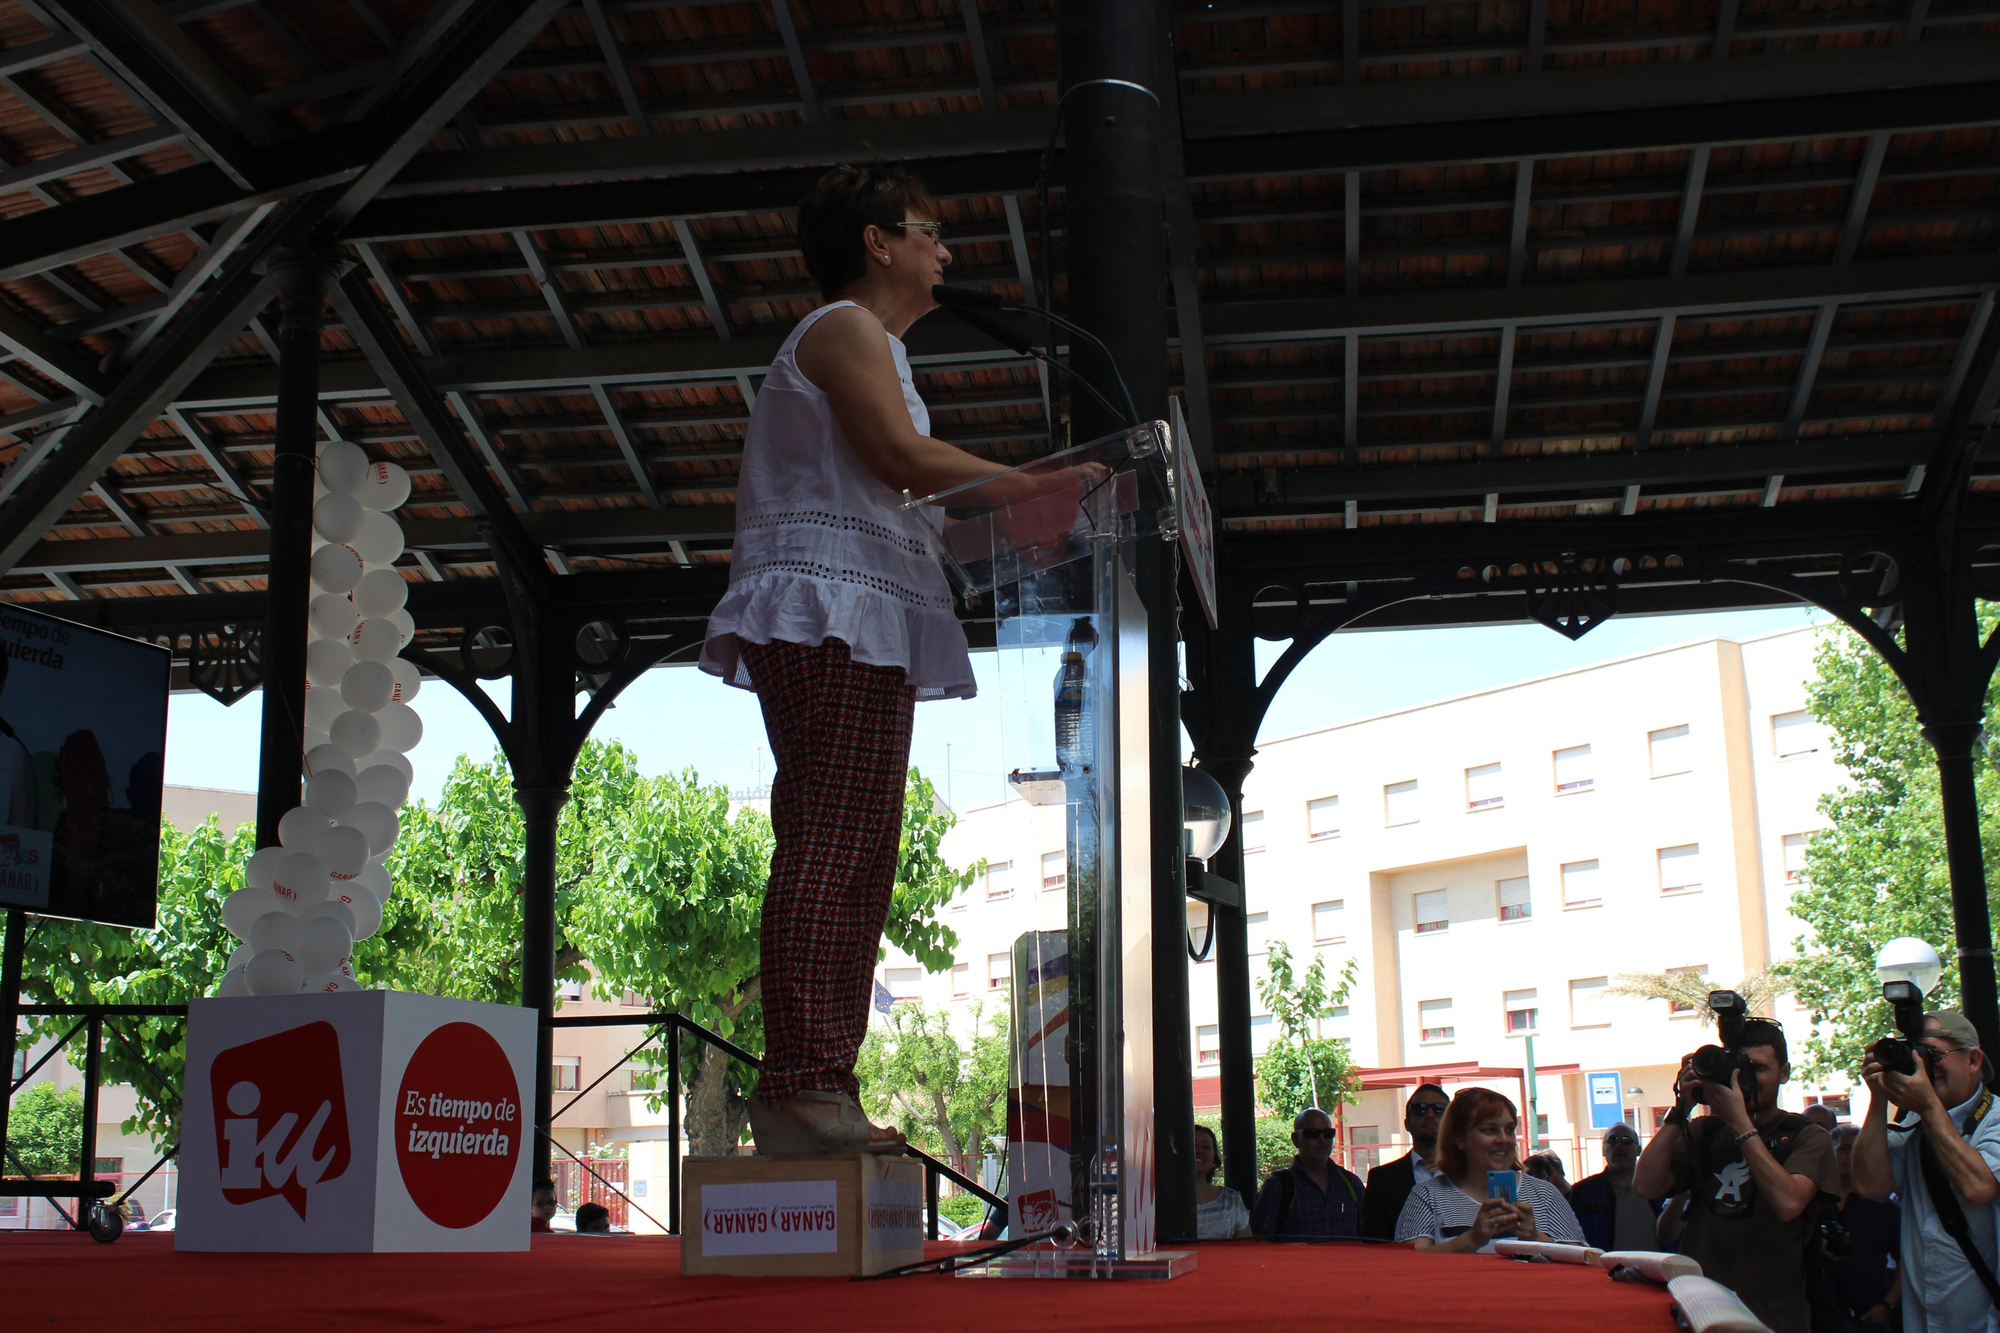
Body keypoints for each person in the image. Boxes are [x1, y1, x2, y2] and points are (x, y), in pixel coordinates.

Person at [698, 164, 1015, 1157]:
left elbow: (901, 482)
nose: (945, 251)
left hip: (861, 611)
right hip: (825, 610)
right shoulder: (842, 328)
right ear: (876, 240)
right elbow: (900, 459)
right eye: (928, 230)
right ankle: (800, 1080)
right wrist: (1045, 482)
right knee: (832, 842)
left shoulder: (874, 346)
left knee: (860, 850)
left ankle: (820, 1077)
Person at [1632, 1016, 1840, 1333]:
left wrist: (1740, 1123)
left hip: (1773, 1317)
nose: (1747, 1080)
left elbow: (1788, 1203)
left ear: (1784, 1073)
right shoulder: (1706, 1131)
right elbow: (1645, 1186)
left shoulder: (1806, 1136)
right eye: (1740, 1069)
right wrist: (1680, 1110)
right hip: (1699, 1311)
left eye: (1758, 1069)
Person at [1854, 1009, 1999, 1333]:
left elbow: (1979, 1187)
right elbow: (1870, 1186)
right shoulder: (1911, 1122)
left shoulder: (1996, 1119)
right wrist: (1878, 1098)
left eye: (1931, 1054)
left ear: (1973, 1060)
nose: (1922, 1066)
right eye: (1914, 1053)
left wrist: (1929, 1106)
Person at [1395, 1086, 1583, 1253]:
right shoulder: (1428, 1195)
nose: (1503, 1139)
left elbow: (1583, 1261)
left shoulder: (1544, 1194)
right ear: (1459, 1139)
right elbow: (1408, 1265)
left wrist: (1534, 1237)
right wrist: (1472, 1239)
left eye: (1509, 1129)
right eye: (1489, 1130)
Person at [1250, 1108, 1367, 1240]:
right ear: (1295, 1139)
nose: (1322, 1140)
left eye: (1328, 1133)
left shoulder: (1351, 1184)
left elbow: (1368, 1237)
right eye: (1313, 1133)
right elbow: (1260, 1242)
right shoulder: (1278, 1187)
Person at [1830, 1123, 1902, 1327]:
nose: (1851, 1156)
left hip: (1869, 1318)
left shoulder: (1884, 1207)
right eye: (1845, 1149)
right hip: (1821, 1318)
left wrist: (1887, 1305)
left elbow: (1906, 1261)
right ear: (1830, 1152)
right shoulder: (1813, 1204)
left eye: (1858, 1149)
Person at [1361, 1083, 1448, 1239]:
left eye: (1439, 1109)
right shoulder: (1381, 1179)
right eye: (1420, 1109)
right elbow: (1373, 1241)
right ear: (1406, 1124)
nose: (1430, 1114)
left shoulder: (1470, 1173)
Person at [1571, 1124, 1664, 1252]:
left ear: (1639, 1150)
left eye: (1626, 1141)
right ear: (1603, 1150)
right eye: (1612, 1141)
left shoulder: (1660, 1188)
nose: (1619, 1146)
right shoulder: (1582, 1192)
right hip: (1603, 1270)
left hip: (1658, 1269)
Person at [1193, 1124, 1251, 1239]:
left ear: (1214, 1158)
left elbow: (1247, 1250)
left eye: (1206, 1147)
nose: (1199, 1151)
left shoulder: (1231, 1200)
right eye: (1193, 1145)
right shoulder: (1161, 1200)